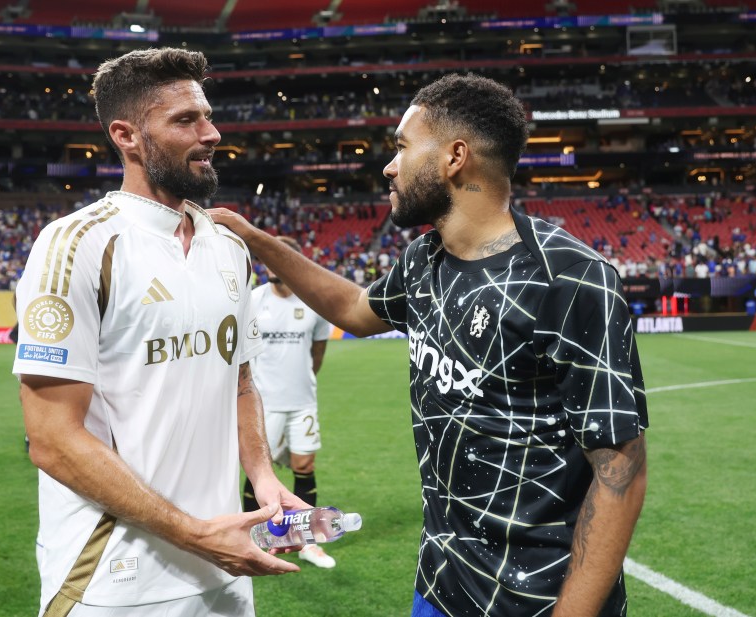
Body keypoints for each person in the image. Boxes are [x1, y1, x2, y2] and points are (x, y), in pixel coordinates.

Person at [210, 73, 648, 617]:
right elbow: (353, 309)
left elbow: (619, 471)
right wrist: (257, 241)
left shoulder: (570, 279)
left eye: (401, 147)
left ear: (454, 156)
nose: (389, 166)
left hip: (535, 598)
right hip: (440, 583)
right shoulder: (425, 259)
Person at [12, 47, 307, 617]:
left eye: (208, 115)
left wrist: (263, 477)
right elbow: (51, 439)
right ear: (126, 135)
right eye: (185, 120)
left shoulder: (228, 246)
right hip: (111, 578)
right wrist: (192, 532)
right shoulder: (77, 245)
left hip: (224, 561)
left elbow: (239, 378)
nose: (212, 132)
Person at [243, 236, 335, 569]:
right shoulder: (252, 300)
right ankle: (250, 536)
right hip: (264, 404)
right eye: (266, 258)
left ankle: (307, 541)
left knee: (305, 467)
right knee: (258, 473)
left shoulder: (314, 303)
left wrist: (300, 381)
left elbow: (318, 353)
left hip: (302, 402)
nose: (269, 263)